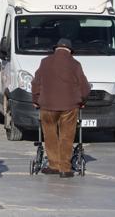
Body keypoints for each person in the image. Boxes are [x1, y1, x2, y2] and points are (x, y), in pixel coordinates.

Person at [31, 38, 90, 178]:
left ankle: (53, 165)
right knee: (66, 136)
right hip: (69, 106)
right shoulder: (75, 64)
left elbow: (35, 83)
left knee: (50, 134)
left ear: (55, 49)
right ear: (70, 51)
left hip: (47, 106)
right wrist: (83, 100)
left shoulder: (44, 62)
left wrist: (35, 100)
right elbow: (85, 87)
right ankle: (64, 168)